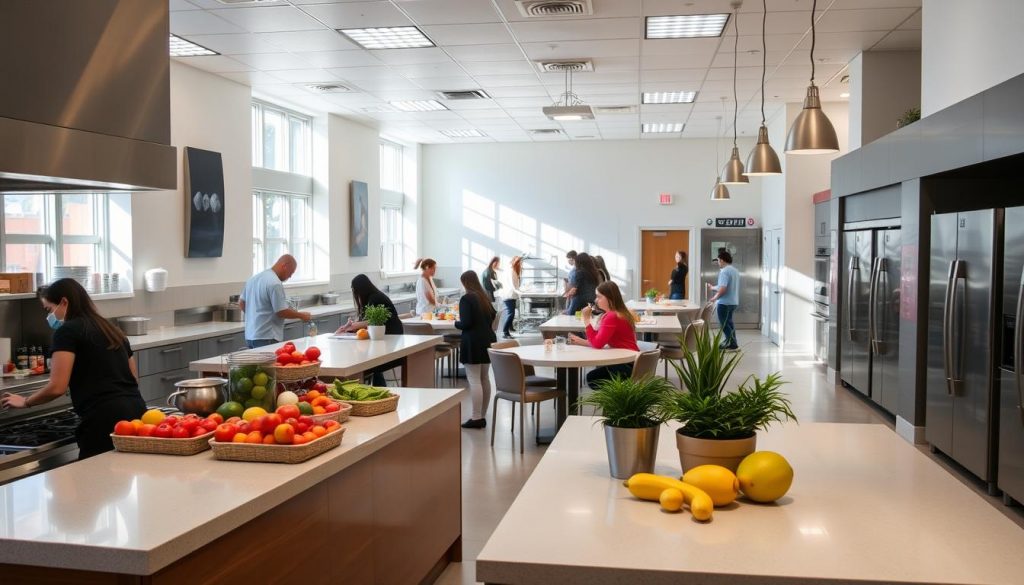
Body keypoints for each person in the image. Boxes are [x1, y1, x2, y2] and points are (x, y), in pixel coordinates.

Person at [0, 279, 146, 459]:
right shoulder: (110, 328)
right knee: (122, 476)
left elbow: (57, 387)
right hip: (136, 412)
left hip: (103, 419)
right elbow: (133, 378)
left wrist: (26, 401)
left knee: (91, 481)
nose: (49, 316)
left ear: (64, 302)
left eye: (49, 309)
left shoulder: (67, 331)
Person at [567, 281, 639, 387]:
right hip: (632, 361)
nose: (596, 300)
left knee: (592, 378)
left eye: (599, 297)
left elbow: (597, 344)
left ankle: (615, 401)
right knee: (592, 377)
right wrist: (580, 341)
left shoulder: (611, 316)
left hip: (624, 366)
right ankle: (615, 402)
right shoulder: (619, 312)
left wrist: (586, 320)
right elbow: (598, 338)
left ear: (609, 298)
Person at [337, 274, 404, 386]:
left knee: (370, 363)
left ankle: (376, 387)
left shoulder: (375, 298)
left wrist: (353, 326)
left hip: (389, 337)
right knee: (371, 362)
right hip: (388, 337)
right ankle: (378, 387)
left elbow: (372, 321)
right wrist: (352, 325)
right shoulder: (373, 297)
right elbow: (367, 320)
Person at [239, 254, 312, 348]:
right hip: (267, 337)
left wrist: (255, 316)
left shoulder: (253, 279)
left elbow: (241, 303)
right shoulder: (275, 283)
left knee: (256, 363)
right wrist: (302, 315)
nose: (290, 276)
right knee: (269, 363)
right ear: (284, 266)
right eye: (291, 272)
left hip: (250, 336)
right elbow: (281, 311)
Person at [455, 270, 497, 429]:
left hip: (472, 342)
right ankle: (482, 415)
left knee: (474, 379)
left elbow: (465, 323)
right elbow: (493, 315)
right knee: (484, 378)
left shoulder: (466, 299)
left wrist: (455, 324)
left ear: (465, 283)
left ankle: (476, 416)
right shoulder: (484, 297)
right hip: (487, 340)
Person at [707, 250, 740, 350]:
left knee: (724, 324)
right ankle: (733, 343)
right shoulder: (734, 270)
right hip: (733, 302)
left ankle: (731, 343)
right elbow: (724, 286)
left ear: (721, 260)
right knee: (729, 323)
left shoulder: (724, 271)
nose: (718, 263)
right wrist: (713, 288)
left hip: (724, 303)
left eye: (718, 261)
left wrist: (714, 297)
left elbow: (723, 289)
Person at [501, 256, 522, 339]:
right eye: (520, 263)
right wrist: (520, 292)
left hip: (509, 294)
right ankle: (505, 332)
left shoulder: (510, 270)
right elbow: (513, 286)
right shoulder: (512, 271)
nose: (521, 265)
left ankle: (510, 328)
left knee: (510, 313)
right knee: (511, 314)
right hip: (509, 295)